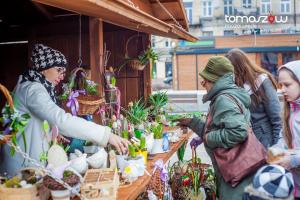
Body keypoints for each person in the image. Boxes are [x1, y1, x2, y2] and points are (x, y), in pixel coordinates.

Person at [0, 44, 129, 176]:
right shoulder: (33, 89)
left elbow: (35, 120)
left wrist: (52, 131)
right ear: (43, 69)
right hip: (21, 166)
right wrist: (106, 135)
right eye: (59, 70)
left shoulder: (31, 84)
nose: (62, 76)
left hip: (25, 161)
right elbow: (60, 119)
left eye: (63, 72)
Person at [177, 56, 254, 199]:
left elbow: (238, 132)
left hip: (235, 175)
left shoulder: (223, 100)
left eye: (205, 80)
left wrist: (208, 138)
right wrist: (192, 122)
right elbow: (216, 129)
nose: (203, 83)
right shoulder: (226, 96)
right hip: (234, 172)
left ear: (215, 80)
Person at [225, 48, 281, 148]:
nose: (231, 75)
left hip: (266, 141)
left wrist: (277, 147)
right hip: (246, 143)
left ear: (240, 68)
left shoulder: (262, 81)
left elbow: (277, 118)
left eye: (233, 71)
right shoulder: (234, 86)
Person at [271, 60, 300, 199]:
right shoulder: (290, 110)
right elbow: (284, 136)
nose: (282, 89)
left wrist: (293, 160)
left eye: (287, 85)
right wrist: (277, 150)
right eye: (280, 85)